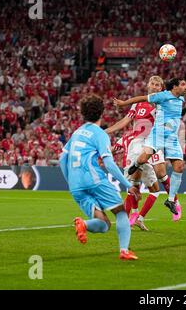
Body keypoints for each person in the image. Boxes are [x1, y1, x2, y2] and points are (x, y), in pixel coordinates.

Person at [59, 94, 141, 260]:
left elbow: (62, 159)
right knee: (120, 212)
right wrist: (128, 185)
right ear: (102, 112)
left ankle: (84, 224)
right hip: (94, 178)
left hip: (75, 185)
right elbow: (109, 163)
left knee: (104, 225)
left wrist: (70, 181)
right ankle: (124, 250)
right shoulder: (100, 134)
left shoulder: (77, 132)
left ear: (83, 113)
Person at [106, 76, 182, 231]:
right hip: (138, 143)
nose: (154, 86)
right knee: (136, 179)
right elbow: (125, 121)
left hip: (154, 142)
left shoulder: (163, 102)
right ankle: (133, 214)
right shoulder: (138, 104)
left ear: (161, 89)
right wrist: (106, 131)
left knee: (161, 173)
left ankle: (174, 202)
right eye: (152, 84)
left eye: (157, 85)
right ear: (148, 85)